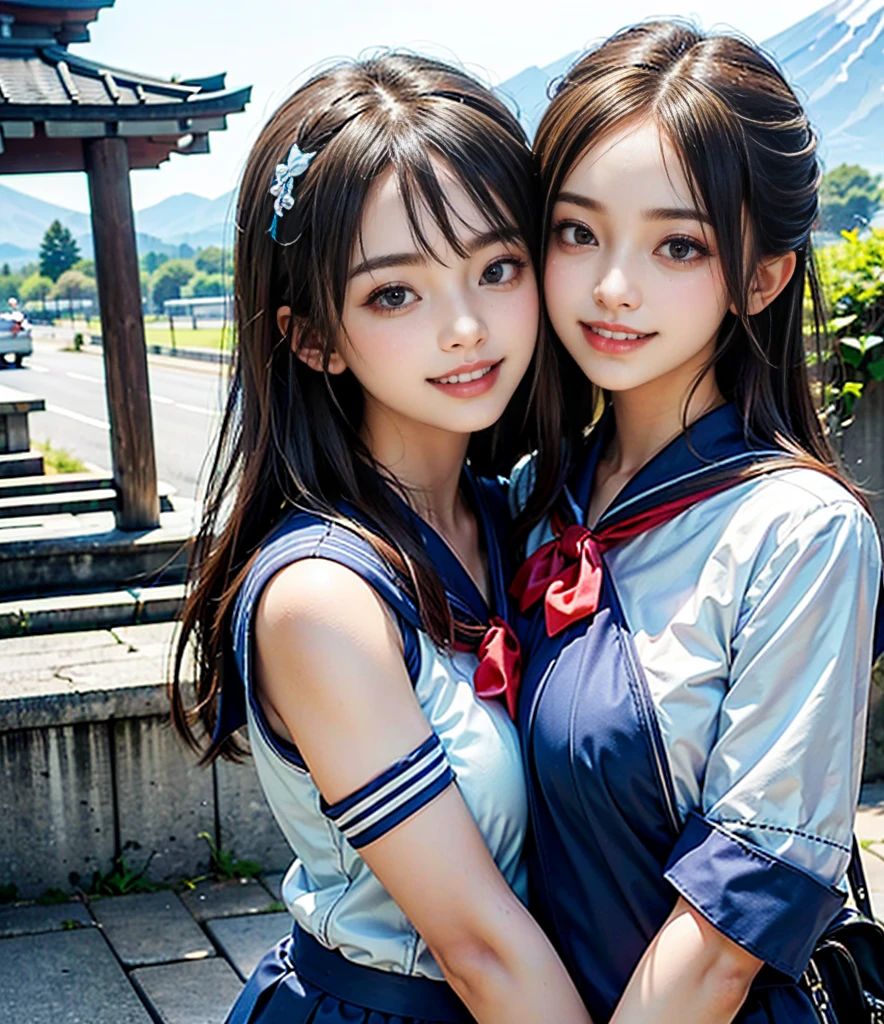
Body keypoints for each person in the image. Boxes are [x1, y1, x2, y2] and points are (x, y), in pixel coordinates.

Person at [170, 54, 589, 1024]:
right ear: (312, 336)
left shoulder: (513, 511)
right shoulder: (321, 601)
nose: (465, 326)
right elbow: (477, 945)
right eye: (396, 293)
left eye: (496, 268)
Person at [508, 21, 884, 1024]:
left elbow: (740, 907)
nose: (611, 286)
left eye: (677, 244)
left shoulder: (798, 535)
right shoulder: (527, 498)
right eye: (576, 231)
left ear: (762, 275)